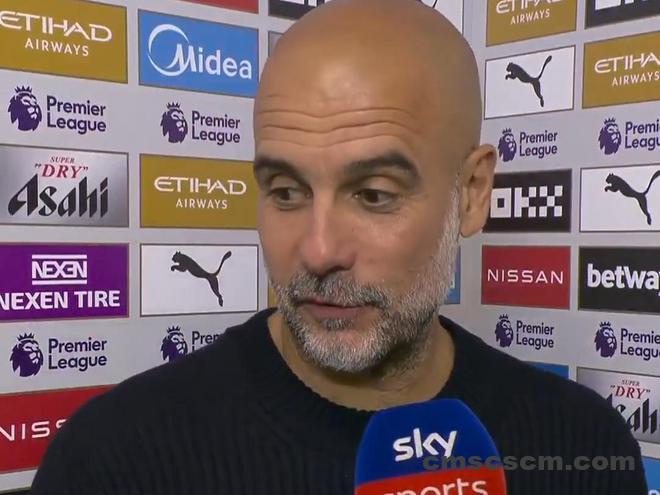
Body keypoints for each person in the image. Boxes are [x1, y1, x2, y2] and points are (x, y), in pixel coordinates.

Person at [31, 0, 648, 493]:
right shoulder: (114, 461)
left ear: (472, 193)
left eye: (374, 194)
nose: (319, 250)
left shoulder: (582, 449)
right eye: (286, 192)